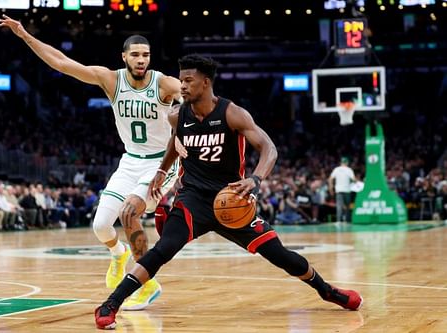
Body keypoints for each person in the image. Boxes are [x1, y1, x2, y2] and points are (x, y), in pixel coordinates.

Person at [94, 54, 362, 329]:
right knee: (163, 250)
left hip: (232, 199)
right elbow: (175, 142)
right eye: (181, 79)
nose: (182, 86)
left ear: (206, 83)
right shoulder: (177, 115)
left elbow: (269, 147)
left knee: (281, 256)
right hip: (193, 199)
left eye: (189, 80)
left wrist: (256, 179)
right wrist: (162, 171)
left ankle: (327, 290)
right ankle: (111, 303)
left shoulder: (232, 113)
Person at [0, 15, 181, 310]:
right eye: (135, 54)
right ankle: (119, 253)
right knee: (99, 226)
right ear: (124, 57)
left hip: (160, 163)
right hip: (130, 161)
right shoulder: (111, 79)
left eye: (145, 55)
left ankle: (147, 284)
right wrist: (25, 36)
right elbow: (61, 62)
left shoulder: (164, 83)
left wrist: (185, 129)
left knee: (129, 213)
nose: (141, 60)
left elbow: (195, 102)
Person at [328, 157, 356, 222]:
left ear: (341, 162)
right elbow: (354, 179)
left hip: (339, 190)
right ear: (347, 163)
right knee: (347, 206)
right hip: (347, 190)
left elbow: (330, 179)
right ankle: (348, 220)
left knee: (339, 206)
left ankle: (339, 221)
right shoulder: (349, 169)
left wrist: (331, 188)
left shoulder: (336, 169)